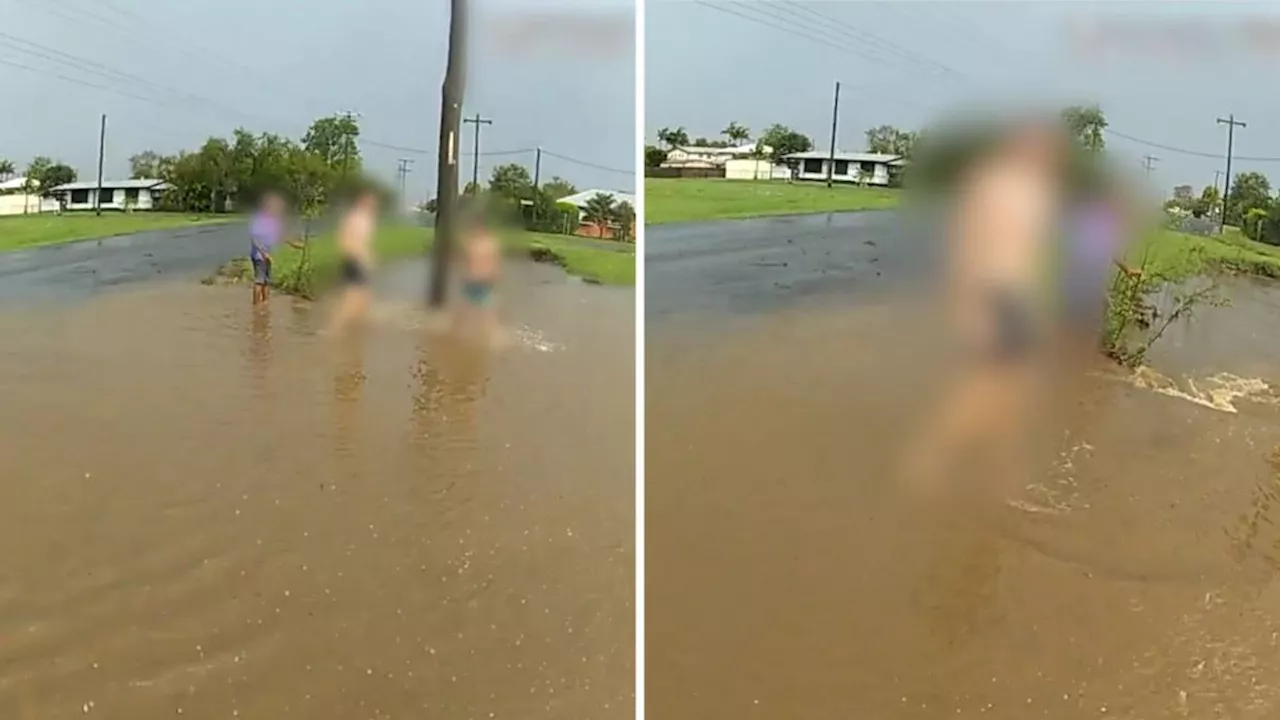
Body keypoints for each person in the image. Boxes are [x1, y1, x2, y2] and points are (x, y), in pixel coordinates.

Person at [901, 116, 1069, 502]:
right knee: (986, 384)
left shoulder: (1038, 194)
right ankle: (929, 458)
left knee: (1017, 385)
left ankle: (1001, 469)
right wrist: (967, 302)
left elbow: (1031, 255)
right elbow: (968, 242)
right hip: (995, 294)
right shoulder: (995, 187)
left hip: (1019, 296)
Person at [323, 189, 380, 336]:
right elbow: (344, 239)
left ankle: (352, 333)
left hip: (359, 261)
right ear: (361, 203)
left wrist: (369, 259)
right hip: (353, 260)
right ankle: (333, 331)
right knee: (350, 299)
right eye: (369, 202)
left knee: (363, 298)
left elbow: (364, 243)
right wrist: (356, 257)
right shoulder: (355, 218)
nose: (372, 205)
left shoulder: (367, 219)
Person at [452, 214, 503, 343]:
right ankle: (467, 336)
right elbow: (462, 261)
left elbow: (495, 263)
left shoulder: (483, 243)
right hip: (475, 280)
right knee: (469, 312)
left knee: (482, 314)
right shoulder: (485, 242)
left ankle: (482, 338)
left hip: (480, 281)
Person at [249, 192, 288, 306]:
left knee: (266, 281)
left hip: (267, 256)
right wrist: (263, 253)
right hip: (259, 256)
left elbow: (280, 235)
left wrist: (294, 244)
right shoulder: (259, 219)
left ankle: (265, 305)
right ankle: (256, 306)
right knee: (259, 281)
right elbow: (254, 239)